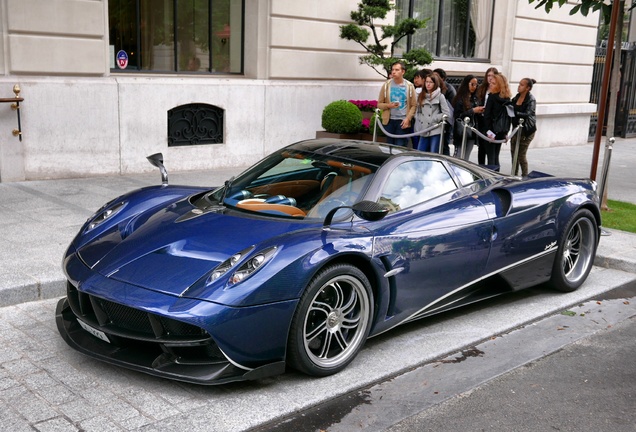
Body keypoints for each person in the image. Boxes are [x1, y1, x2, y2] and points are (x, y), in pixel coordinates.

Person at [377, 61, 417, 147]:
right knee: (389, 147)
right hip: (389, 121)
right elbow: (379, 104)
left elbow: (414, 105)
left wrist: (408, 119)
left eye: (397, 70)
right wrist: (388, 105)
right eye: (393, 70)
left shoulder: (409, 86)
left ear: (403, 72)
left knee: (400, 146)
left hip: (402, 121)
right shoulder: (386, 85)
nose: (394, 72)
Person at [414, 72, 451, 153]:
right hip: (424, 129)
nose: (428, 84)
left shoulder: (440, 96)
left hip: (435, 129)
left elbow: (447, 113)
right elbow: (418, 112)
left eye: (431, 82)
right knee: (420, 153)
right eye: (427, 82)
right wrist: (421, 120)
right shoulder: (421, 96)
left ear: (435, 83)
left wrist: (434, 119)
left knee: (433, 153)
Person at [482, 73, 512, 170]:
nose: (491, 85)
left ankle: (492, 179)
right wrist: (506, 132)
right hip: (501, 131)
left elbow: (487, 116)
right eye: (491, 83)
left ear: (499, 85)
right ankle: (497, 176)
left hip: (491, 131)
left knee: (491, 158)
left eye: (494, 83)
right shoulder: (507, 99)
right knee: (495, 156)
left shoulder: (492, 97)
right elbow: (509, 118)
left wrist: (488, 131)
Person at [452, 75, 484, 160]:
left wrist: (479, 111)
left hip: (472, 130)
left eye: (476, 85)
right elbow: (458, 116)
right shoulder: (460, 98)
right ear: (467, 84)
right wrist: (473, 111)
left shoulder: (475, 98)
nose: (474, 87)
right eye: (472, 84)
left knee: (466, 157)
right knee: (459, 156)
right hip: (461, 131)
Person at [511, 78, 537, 176]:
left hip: (527, 130)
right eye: (519, 84)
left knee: (521, 155)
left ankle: (525, 176)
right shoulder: (517, 97)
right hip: (516, 129)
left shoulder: (531, 99)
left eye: (521, 85)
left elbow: (528, 113)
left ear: (527, 88)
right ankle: (514, 174)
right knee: (514, 154)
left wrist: (515, 113)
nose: (519, 86)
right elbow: (511, 105)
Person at [476, 67, 499, 165]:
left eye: (493, 76)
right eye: (489, 75)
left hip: (492, 121)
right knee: (481, 147)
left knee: (493, 152)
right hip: (481, 118)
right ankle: (480, 167)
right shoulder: (482, 88)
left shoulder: (498, 90)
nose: (490, 78)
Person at [434, 68, 457, 156]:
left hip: (445, 121)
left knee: (444, 145)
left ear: (442, 78)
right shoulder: (434, 87)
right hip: (435, 121)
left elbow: (452, 107)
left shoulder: (449, 89)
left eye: (436, 76)